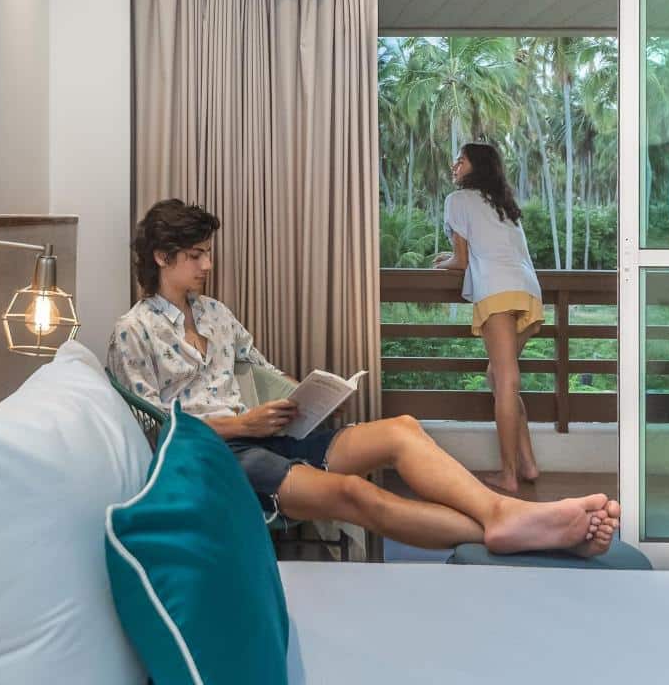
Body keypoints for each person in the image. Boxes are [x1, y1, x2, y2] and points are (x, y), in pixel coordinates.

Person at [108, 198, 619, 556]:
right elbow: (156, 432)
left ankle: (507, 517)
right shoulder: (134, 332)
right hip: (215, 460)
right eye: (196, 255)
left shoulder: (216, 312)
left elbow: (260, 369)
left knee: (402, 429)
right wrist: (244, 427)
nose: (208, 265)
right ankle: (516, 525)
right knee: (357, 495)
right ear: (161, 257)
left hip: (267, 434)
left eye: (208, 252)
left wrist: (306, 398)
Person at [435, 143, 542, 495]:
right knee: (498, 377)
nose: (455, 165)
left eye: (461, 160)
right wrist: (451, 256)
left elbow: (462, 261)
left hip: (497, 292)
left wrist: (441, 262)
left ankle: (509, 474)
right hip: (526, 291)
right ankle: (527, 464)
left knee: (506, 382)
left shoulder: (458, 201)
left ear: (475, 166)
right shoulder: (503, 204)